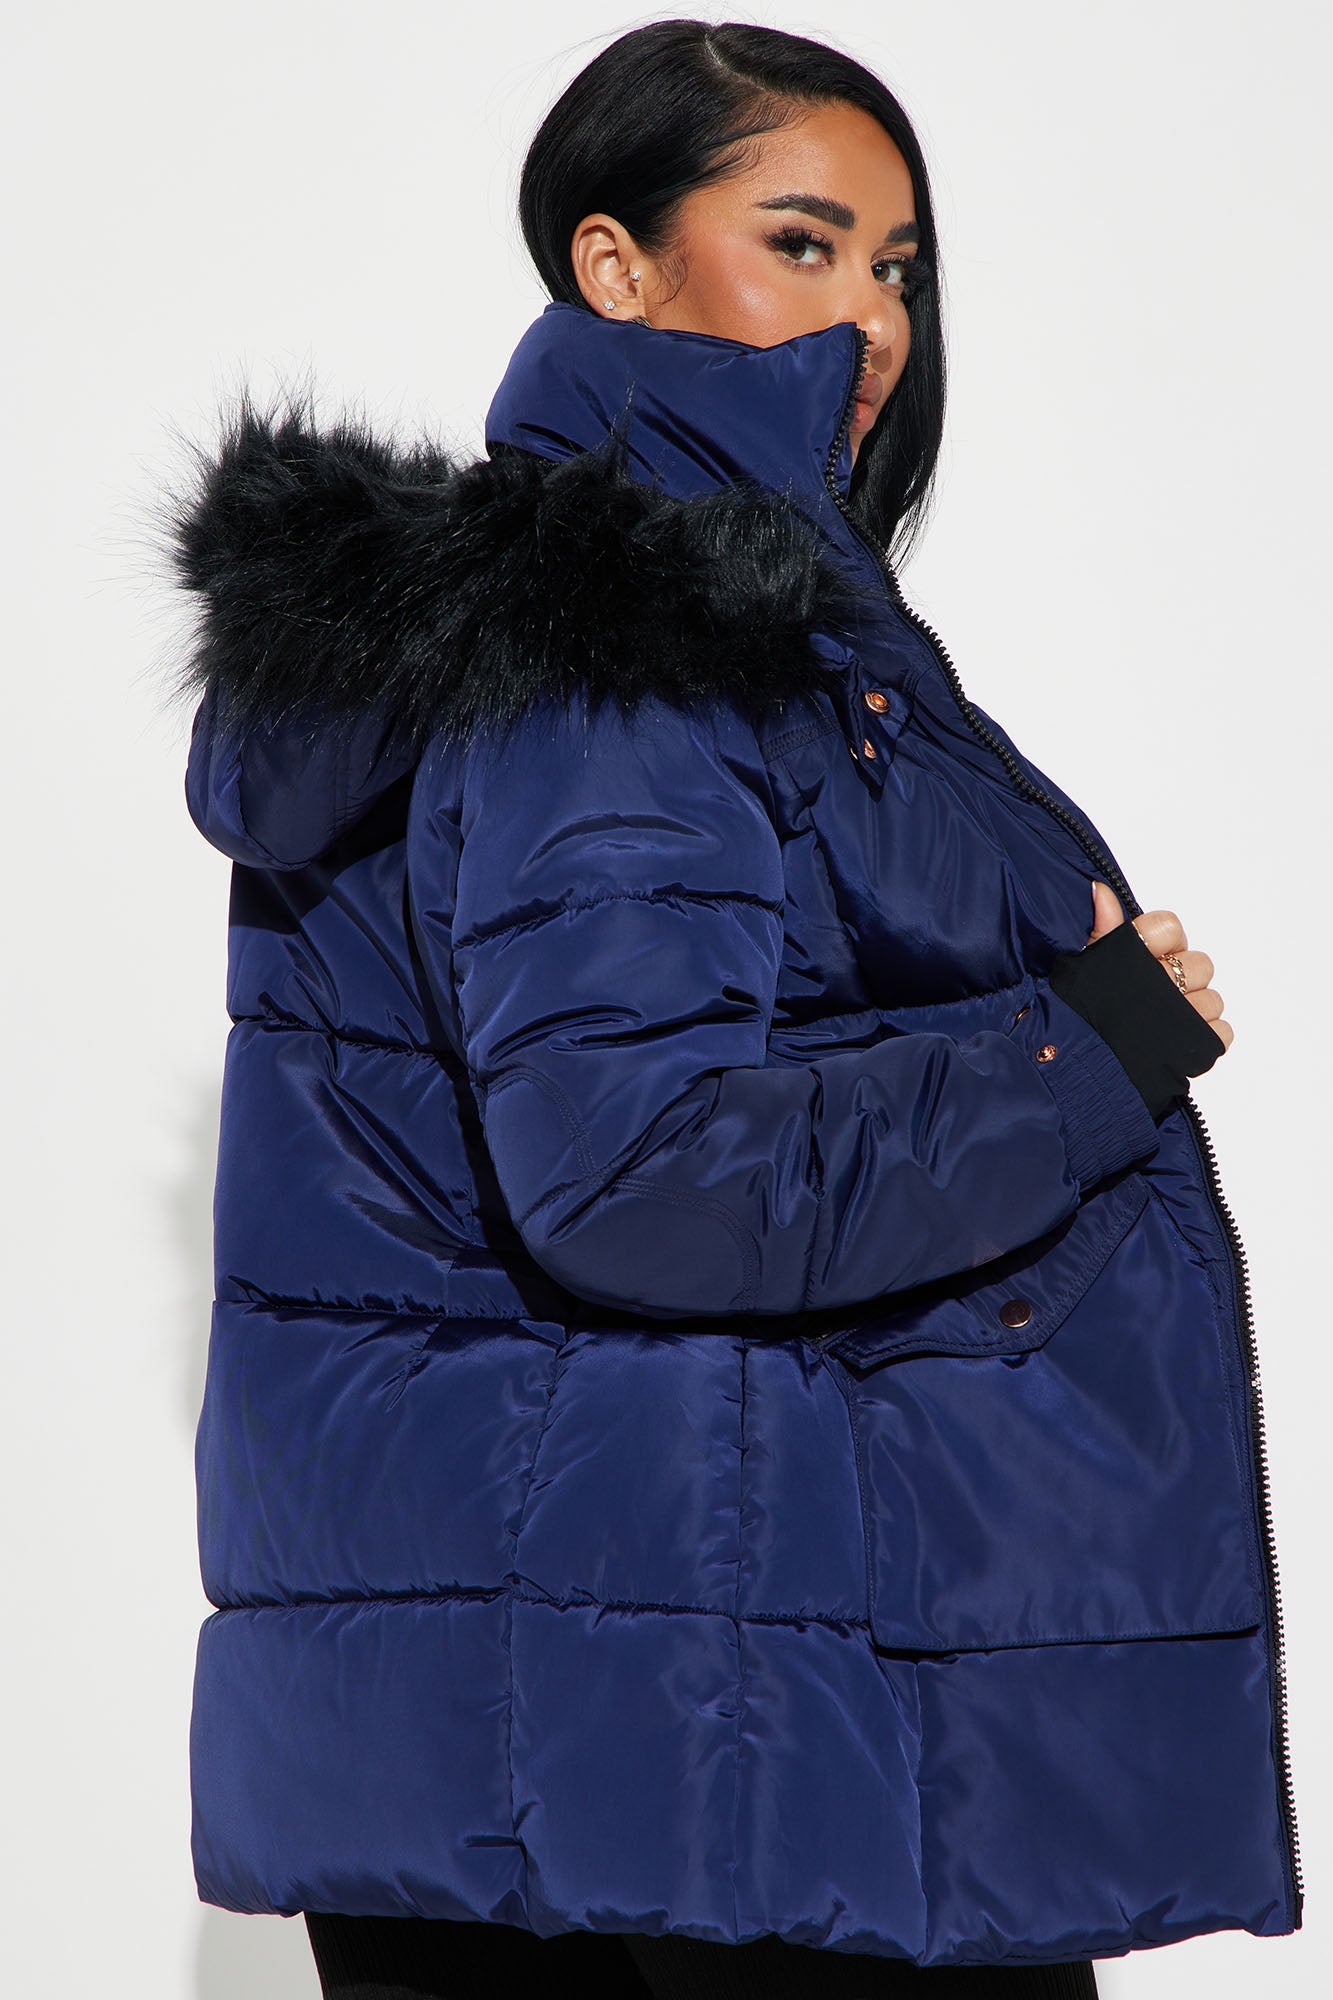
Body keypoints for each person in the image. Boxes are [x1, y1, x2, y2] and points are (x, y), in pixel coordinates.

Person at [160, 18, 1303, 1999]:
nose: (870, 316)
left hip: (613, 1708)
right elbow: (638, 1167)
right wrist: (1076, 1055)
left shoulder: (657, 631)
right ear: (613, 264)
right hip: (719, 1753)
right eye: (799, 241)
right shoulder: (629, 648)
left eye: (895, 264)